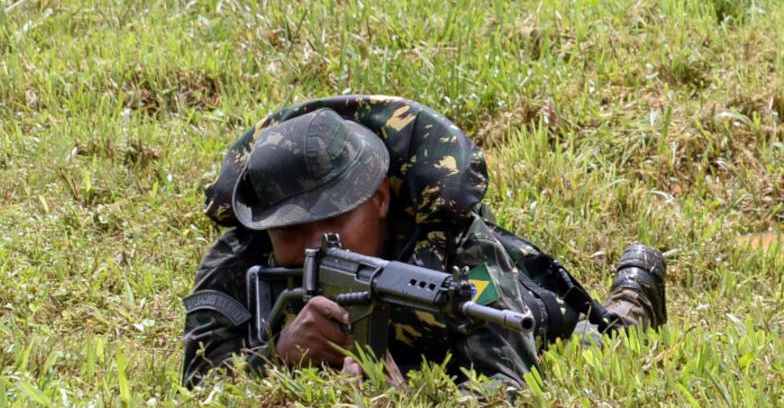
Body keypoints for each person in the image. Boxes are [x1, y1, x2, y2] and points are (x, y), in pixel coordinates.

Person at [182, 95, 666, 389]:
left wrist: (407, 388)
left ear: (379, 199)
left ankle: (634, 290)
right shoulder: (240, 256)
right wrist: (280, 356)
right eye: (290, 229)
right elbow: (200, 380)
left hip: (519, 298)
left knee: (598, 340)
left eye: (333, 222)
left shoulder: (457, 244)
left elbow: (504, 379)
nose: (315, 245)